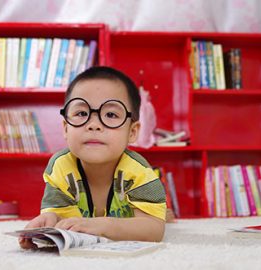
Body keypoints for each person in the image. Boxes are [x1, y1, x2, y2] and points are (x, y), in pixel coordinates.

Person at [20, 66, 167, 249]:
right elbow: (62, 217)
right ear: (66, 128)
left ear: (132, 132)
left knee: (162, 216)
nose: (94, 125)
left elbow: (154, 229)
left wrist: (102, 225)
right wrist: (50, 220)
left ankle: (165, 212)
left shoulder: (140, 172)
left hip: (134, 216)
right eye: (82, 113)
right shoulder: (60, 166)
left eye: (111, 114)